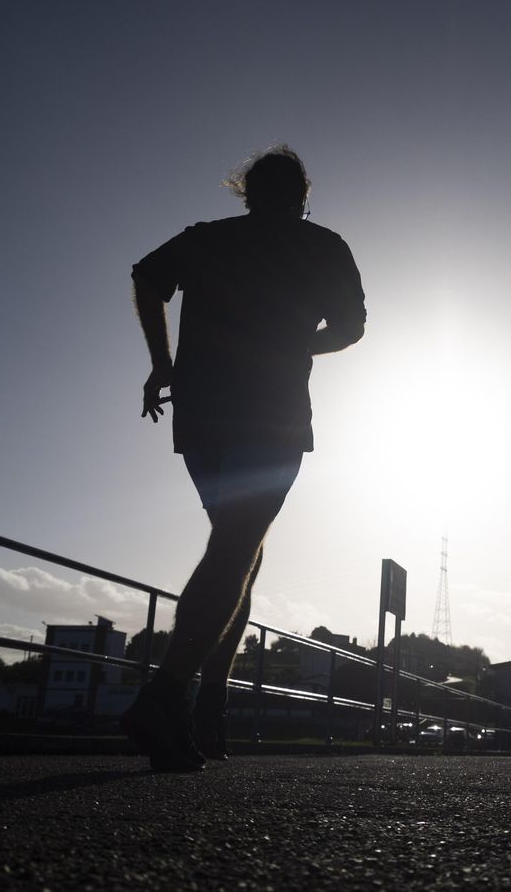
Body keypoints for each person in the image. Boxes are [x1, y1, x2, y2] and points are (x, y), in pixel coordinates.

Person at [122, 145, 366, 771]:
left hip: (201, 415)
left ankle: (209, 704)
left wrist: (162, 361)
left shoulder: (207, 238)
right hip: (270, 415)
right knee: (234, 550)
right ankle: (168, 692)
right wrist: (295, 342)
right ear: (303, 195)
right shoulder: (323, 246)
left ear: (246, 192)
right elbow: (350, 328)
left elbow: (146, 278)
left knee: (239, 553)